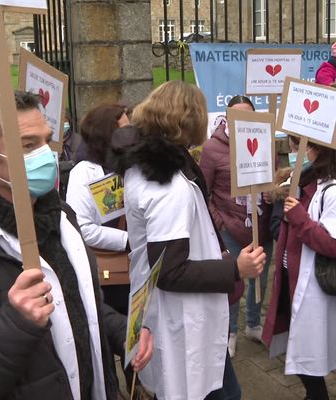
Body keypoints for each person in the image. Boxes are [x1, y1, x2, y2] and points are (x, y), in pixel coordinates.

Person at [0, 91, 152, 399]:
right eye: (28, 145)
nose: (47, 154)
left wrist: (122, 331)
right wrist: (17, 324)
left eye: (47, 140)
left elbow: (79, 306)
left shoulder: (61, 217)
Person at [113, 81, 266, 400]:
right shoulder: (169, 187)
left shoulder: (146, 167)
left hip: (173, 315)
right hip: (182, 319)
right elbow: (170, 271)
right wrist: (234, 268)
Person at [263, 136, 336, 400]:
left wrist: (299, 218)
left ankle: (317, 396)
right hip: (289, 282)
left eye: (299, 147)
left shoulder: (335, 194)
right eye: (293, 147)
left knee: (308, 350)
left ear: (318, 151)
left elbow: (333, 243)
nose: (294, 153)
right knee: (298, 345)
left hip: (313, 286)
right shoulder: (300, 187)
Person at [199, 95, 274, 358]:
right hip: (229, 229)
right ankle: (229, 331)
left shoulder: (264, 139)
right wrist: (219, 222)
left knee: (259, 279)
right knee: (231, 282)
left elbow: (269, 176)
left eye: (249, 115)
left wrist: (270, 192)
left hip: (260, 225)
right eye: (237, 115)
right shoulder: (212, 149)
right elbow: (202, 192)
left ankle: (253, 324)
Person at [66, 103, 131, 315]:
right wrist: (129, 240)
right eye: (124, 129)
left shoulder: (132, 165)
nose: (131, 134)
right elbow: (83, 228)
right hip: (108, 277)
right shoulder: (83, 173)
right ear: (107, 134)